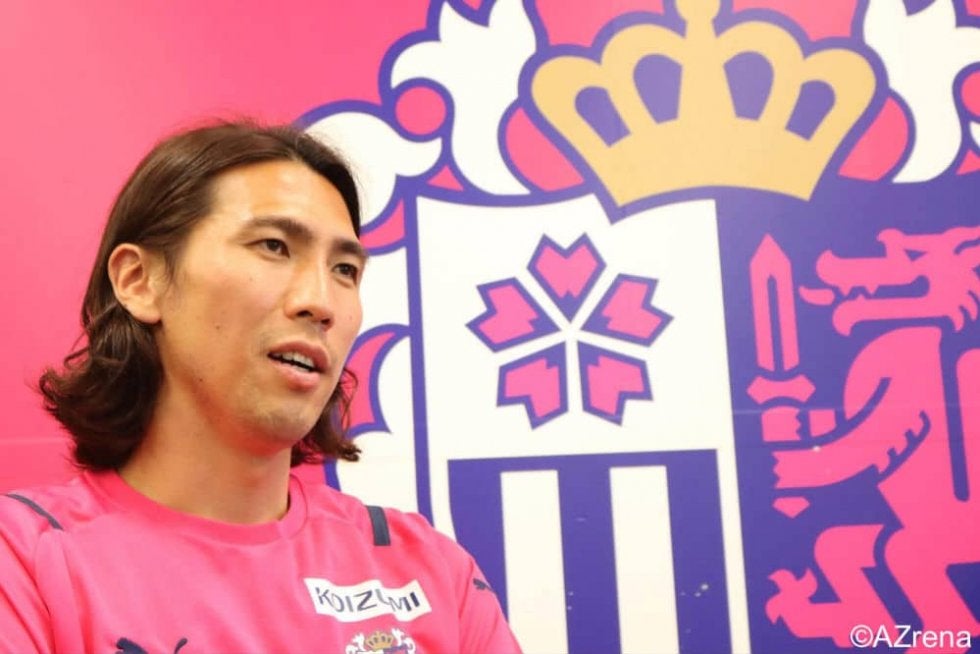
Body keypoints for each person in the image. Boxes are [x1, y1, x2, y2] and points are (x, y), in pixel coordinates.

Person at [0, 122, 522, 653]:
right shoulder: (24, 561)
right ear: (139, 281)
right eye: (273, 246)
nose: (320, 301)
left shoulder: (434, 574)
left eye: (345, 269)